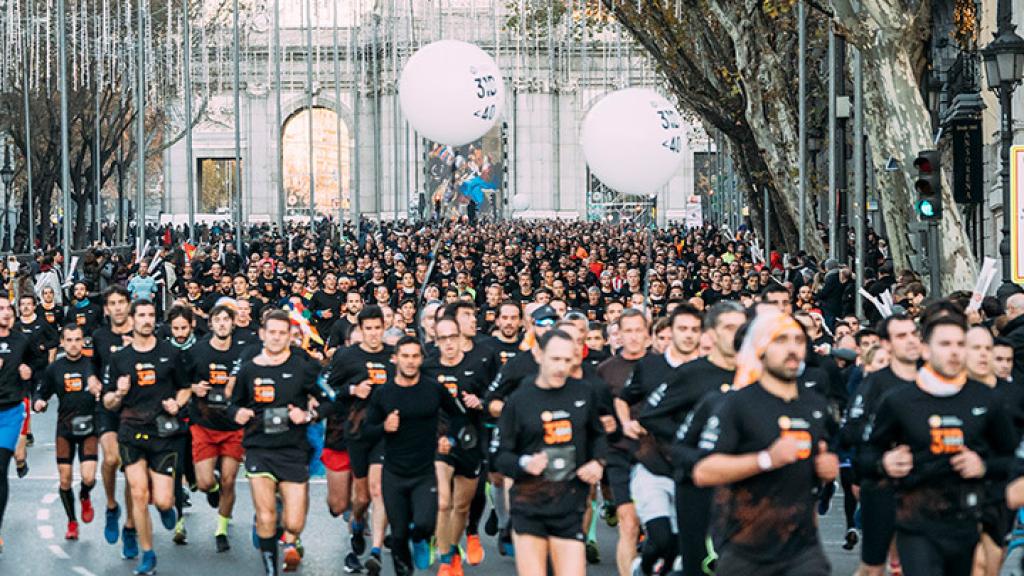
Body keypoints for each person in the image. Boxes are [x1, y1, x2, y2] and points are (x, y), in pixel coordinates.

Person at [864, 315, 1016, 576]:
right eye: (945, 344)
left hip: (967, 521)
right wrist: (884, 463)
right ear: (925, 350)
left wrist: (983, 466)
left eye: (960, 344)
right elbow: (865, 456)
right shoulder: (899, 400)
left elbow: (1010, 459)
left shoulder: (986, 399)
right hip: (916, 521)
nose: (954, 352)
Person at [693, 310, 838, 575]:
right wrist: (766, 459)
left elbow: (815, 470)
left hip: (802, 550)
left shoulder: (814, 404)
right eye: (780, 340)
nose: (792, 349)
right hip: (746, 548)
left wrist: (825, 468)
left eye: (798, 340)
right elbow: (704, 471)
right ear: (760, 349)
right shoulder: (736, 404)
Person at [494, 330, 608, 576]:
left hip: (569, 505)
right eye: (555, 359)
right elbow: (499, 455)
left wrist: (598, 462)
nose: (560, 367)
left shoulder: (584, 392)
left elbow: (598, 435)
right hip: (529, 505)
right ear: (539, 355)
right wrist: (525, 463)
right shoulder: (519, 400)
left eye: (567, 360)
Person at [227, 309, 325, 575]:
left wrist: (308, 415)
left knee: (294, 522)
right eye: (272, 332)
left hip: (293, 449)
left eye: (283, 333)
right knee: (266, 515)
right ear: (262, 334)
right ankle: (271, 568)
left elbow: (329, 400)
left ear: (290, 336)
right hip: (258, 448)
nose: (277, 337)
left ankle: (290, 540)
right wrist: (237, 413)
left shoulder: (303, 368)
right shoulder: (249, 370)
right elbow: (232, 404)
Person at [650, 301, 746, 576]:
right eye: (729, 327)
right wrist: (693, 445)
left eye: (742, 327)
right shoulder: (691, 373)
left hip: (743, 484)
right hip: (696, 483)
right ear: (711, 334)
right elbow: (652, 415)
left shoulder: (755, 374)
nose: (737, 334)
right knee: (699, 565)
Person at [102, 299, 191, 575]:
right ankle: (148, 553)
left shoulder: (170, 353)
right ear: (132, 319)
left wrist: (177, 403)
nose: (147, 319)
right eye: (141, 315)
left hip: (163, 434)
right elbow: (107, 402)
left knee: (163, 500)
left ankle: (165, 508)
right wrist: (119, 393)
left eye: (151, 315)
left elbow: (185, 388)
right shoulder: (120, 358)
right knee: (138, 494)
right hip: (131, 432)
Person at [364, 336, 464, 576]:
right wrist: (384, 427)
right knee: (398, 535)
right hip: (394, 472)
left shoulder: (433, 389)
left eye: (415, 356)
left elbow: (459, 416)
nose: (410, 361)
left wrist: (449, 438)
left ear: (421, 359)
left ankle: (420, 538)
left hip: (424, 471)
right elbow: (366, 430)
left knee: (424, 524)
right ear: (395, 359)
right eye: (405, 356)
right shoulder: (384, 393)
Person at [616, 304, 703, 576]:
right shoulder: (650, 365)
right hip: (652, 464)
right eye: (682, 329)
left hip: (690, 470)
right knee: (660, 536)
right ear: (670, 331)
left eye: (695, 329)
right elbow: (623, 398)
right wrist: (626, 423)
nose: (688, 335)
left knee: (680, 547)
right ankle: (641, 567)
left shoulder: (707, 369)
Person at [844, 314, 920, 576]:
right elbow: (851, 432)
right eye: (901, 336)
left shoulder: (930, 377)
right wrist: (883, 457)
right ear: (886, 344)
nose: (911, 340)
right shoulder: (875, 383)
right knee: (873, 566)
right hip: (881, 483)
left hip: (925, 487)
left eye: (914, 334)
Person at [324, 305, 394, 574]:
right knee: (353, 500)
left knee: (378, 491)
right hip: (352, 433)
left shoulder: (393, 356)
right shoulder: (346, 356)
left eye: (378, 328)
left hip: (383, 434)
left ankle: (374, 551)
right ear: (361, 330)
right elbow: (329, 390)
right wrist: (353, 389)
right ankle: (356, 523)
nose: (374, 333)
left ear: (384, 328)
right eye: (369, 329)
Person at [421, 317, 490, 575]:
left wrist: (481, 402)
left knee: (461, 506)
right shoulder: (428, 368)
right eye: (443, 338)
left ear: (461, 337)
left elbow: (495, 399)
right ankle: (446, 560)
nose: (449, 343)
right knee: (443, 503)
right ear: (436, 340)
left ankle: (453, 548)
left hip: (470, 441)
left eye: (453, 337)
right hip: (439, 442)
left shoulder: (478, 366)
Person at [187, 303, 247, 552]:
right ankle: (212, 489)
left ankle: (221, 530)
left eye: (226, 319)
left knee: (229, 480)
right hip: (204, 423)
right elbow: (180, 380)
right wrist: (193, 388)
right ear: (210, 324)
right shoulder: (197, 351)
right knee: (203, 482)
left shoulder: (243, 352)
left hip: (233, 427)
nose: (222, 324)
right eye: (218, 320)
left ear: (233, 324)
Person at [34, 324, 101, 540]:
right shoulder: (55, 368)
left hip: (89, 426)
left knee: (89, 477)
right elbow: (41, 393)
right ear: (62, 342)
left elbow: (106, 389)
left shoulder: (93, 366)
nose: (73, 344)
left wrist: (101, 392)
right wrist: (39, 402)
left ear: (83, 341)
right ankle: (72, 522)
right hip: (65, 428)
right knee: (65, 480)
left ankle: (84, 495)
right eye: (69, 340)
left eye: (77, 339)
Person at [600, 308, 651, 576]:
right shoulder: (605, 370)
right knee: (628, 523)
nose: (633, 336)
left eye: (638, 330)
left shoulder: (661, 365)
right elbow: (596, 411)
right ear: (618, 334)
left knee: (657, 528)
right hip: (619, 452)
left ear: (647, 334)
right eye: (627, 330)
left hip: (656, 454)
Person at [92, 285, 137, 552]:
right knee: (111, 459)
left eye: (122, 302)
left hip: (135, 407)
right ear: (106, 309)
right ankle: (111, 506)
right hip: (108, 404)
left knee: (131, 469)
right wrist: (92, 379)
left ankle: (130, 526)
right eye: (113, 303)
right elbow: (93, 366)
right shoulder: (100, 336)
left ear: (128, 305)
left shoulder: (141, 331)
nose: (118, 307)